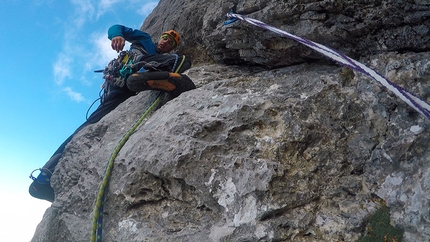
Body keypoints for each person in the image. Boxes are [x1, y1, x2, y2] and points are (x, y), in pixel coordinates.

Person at [29, 25, 196, 202]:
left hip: (128, 88)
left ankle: (146, 78)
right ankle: (45, 176)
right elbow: (117, 28)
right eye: (165, 38)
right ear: (159, 37)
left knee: (181, 60)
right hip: (124, 79)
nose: (165, 42)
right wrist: (117, 36)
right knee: (89, 126)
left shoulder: (163, 54)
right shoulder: (144, 39)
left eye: (170, 42)